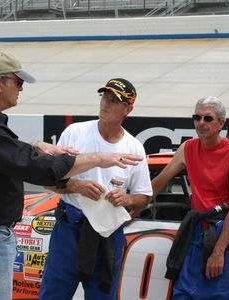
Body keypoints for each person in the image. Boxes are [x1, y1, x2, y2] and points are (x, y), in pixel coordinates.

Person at [0, 51, 143, 300]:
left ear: (128, 108)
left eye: (113, 100)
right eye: (18, 82)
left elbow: (8, 155)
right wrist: (97, 158)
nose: (21, 89)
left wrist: (37, 146)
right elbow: (37, 169)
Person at [39, 78, 152, 299]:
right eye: (104, 97)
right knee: (53, 294)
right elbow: (48, 180)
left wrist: (127, 199)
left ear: (128, 109)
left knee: (103, 295)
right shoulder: (75, 133)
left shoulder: (134, 147)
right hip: (70, 227)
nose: (105, 103)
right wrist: (76, 186)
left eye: (113, 100)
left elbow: (144, 196)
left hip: (108, 233)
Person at [151, 96, 229, 299]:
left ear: (221, 123)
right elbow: (157, 184)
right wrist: (130, 208)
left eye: (208, 118)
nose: (201, 123)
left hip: (225, 235)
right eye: (197, 117)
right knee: (183, 294)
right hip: (196, 232)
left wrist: (219, 251)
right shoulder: (187, 148)